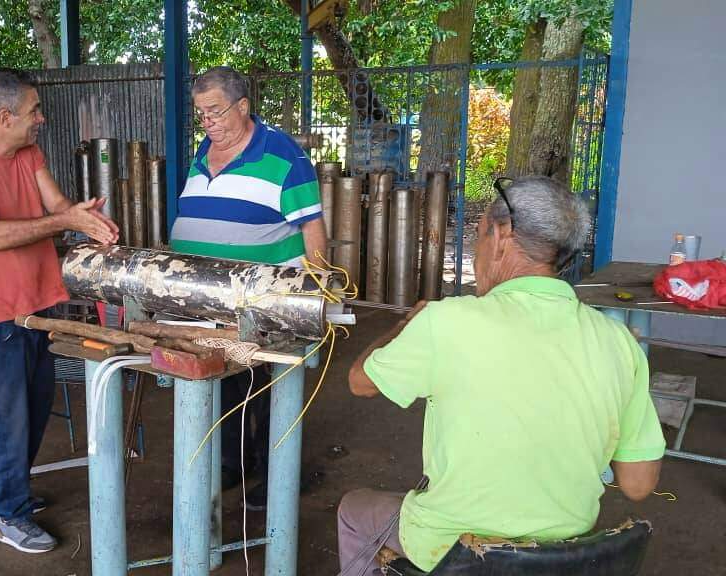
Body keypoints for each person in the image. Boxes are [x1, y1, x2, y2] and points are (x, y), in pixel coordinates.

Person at [339, 176, 665, 574]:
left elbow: (360, 381)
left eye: (478, 237)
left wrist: (411, 323)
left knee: (354, 509)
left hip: (457, 548)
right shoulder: (618, 342)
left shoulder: (447, 321)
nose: (476, 252)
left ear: (501, 234)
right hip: (566, 559)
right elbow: (638, 484)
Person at [0, 69, 117, 554]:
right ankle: (9, 516)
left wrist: (81, 215)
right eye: (34, 110)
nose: (41, 118)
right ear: (4, 116)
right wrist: (63, 220)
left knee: (33, 412)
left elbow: (56, 203)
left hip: (39, 306)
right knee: (5, 418)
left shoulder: (28, 152)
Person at [169, 66, 327, 510]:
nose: (209, 123)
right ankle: (234, 462)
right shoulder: (205, 150)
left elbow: (312, 224)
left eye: (216, 112)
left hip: (265, 298)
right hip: (212, 300)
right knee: (229, 382)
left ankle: (276, 472)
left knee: (270, 387)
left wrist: (315, 293)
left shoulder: (282, 154)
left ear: (243, 106)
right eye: (201, 114)